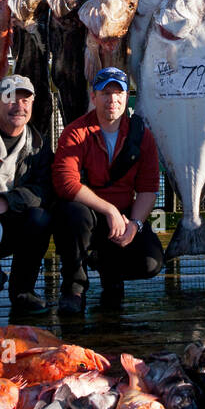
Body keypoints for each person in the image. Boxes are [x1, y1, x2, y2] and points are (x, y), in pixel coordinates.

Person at [51, 66, 164, 314]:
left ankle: (108, 268)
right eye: (105, 93)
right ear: (94, 97)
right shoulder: (75, 132)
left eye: (118, 93)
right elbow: (65, 182)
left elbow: (148, 188)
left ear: (126, 97)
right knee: (71, 214)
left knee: (151, 263)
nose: (112, 100)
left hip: (124, 216)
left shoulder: (142, 135)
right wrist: (109, 209)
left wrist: (135, 224)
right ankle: (74, 287)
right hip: (89, 213)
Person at [0, 74, 54, 319]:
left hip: (13, 220)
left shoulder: (38, 144)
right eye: (10, 99)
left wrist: (8, 201)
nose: (19, 106)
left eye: (25, 100)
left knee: (40, 218)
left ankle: (23, 292)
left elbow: (45, 188)